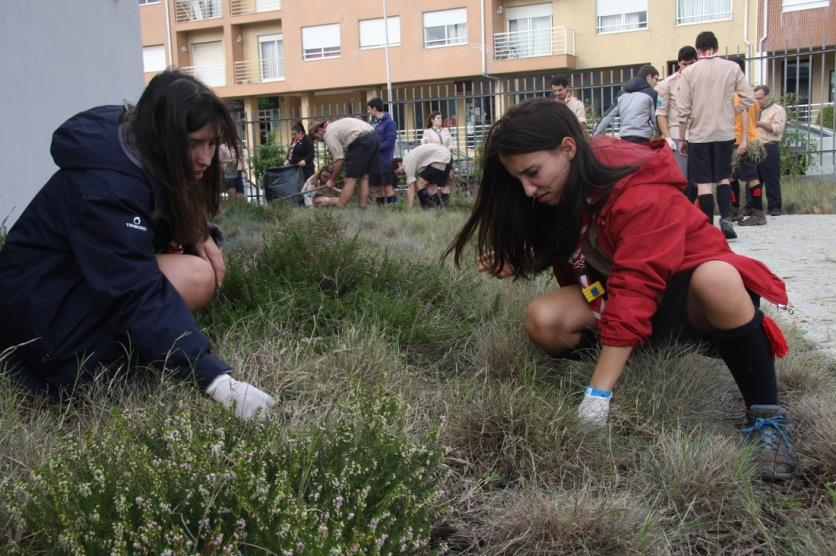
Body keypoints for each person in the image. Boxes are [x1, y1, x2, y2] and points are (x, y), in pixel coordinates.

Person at [445, 98, 797, 480]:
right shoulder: (567, 178)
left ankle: (767, 418)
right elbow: (583, 246)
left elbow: (636, 285)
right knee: (543, 320)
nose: (527, 190)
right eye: (519, 180)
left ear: (567, 148)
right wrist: (528, 259)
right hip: (617, 296)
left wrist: (597, 397)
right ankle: (630, 355)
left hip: (686, 299)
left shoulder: (636, 186)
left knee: (719, 279)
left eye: (532, 173)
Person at [0, 70, 275, 420]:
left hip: (58, 294)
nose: (206, 159)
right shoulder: (107, 188)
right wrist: (214, 379)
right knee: (192, 275)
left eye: (211, 144)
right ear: (163, 135)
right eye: (194, 143)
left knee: (194, 266)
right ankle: (88, 370)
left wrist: (196, 231)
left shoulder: (133, 146)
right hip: (39, 333)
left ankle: (140, 348)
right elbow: (132, 290)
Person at [677, 31, 755, 241]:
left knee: (702, 182)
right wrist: (731, 111)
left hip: (699, 135)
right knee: (723, 178)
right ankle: (727, 219)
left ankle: (707, 225)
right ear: (716, 47)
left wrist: (682, 138)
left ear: (698, 49)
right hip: (724, 132)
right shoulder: (732, 68)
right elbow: (749, 98)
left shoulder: (689, 73)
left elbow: (683, 110)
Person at [727, 57, 765, 227]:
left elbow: (743, 115)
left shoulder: (737, 94)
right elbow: (756, 119)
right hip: (745, 138)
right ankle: (735, 210)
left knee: (750, 177)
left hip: (743, 141)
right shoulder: (749, 93)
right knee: (730, 176)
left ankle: (757, 213)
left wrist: (743, 141)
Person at [309, 117, 379, 208]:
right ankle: (362, 210)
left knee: (350, 180)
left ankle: (340, 211)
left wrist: (332, 180)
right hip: (374, 138)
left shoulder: (328, 134)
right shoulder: (334, 127)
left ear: (319, 130)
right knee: (363, 177)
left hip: (361, 141)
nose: (318, 141)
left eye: (315, 137)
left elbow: (340, 160)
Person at [657, 46, 698, 186]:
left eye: (691, 63)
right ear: (678, 63)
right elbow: (661, 113)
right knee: (681, 177)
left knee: (699, 179)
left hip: (699, 133)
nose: (688, 67)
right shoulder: (667, 84)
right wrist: (668, 138)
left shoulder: (702, 81)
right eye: (684, 64)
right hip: (676, 133)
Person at [593, 65, 659, 143]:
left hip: (625, 138)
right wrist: (660, 134)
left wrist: (595, 135)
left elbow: (608, 115)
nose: (656, 83)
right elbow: (656, 120)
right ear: (648, 77)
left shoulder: (621, 94)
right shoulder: (652, 94)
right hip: (643, 139)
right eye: (656, 79)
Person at [751, 85, 786, 219]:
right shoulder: (754, 109)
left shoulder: (777, 110)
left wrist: (759, 123)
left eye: (759, 98)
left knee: (771, 178)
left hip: (769, 146)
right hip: (755, 147)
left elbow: (777, 129)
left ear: (767, 96)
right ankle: (753, 207)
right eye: (755, 98)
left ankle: (774, 206)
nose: (757, 101)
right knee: (754, 178)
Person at [391, 143, 453, 209]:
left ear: (399, 163)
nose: (401, 175)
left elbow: (411, 188)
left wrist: (409, 208)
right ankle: (439, 208)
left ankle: (425, 208)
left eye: (399, 173)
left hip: (440, 158)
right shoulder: (411, 157)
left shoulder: (407, 163)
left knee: (419, 184)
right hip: (446, 156)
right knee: (430, 186)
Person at [367, 97, 398, 205]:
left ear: (375, 108)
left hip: (385, 161)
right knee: (377, 188)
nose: (369, 112)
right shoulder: (371, 123)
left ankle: (394, 209)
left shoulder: (389, 123)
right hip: (373, 161)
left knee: (387, 186)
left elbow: (390, 142)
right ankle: (381, 211)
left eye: (369, 109)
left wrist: (375, 148)